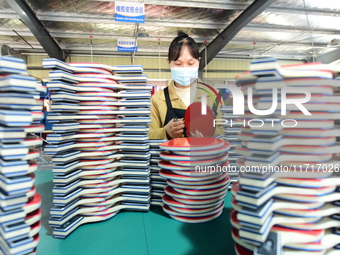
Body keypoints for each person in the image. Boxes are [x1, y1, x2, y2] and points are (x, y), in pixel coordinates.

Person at [148, 31, 224, 140]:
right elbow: (147, 137)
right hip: (169, 157)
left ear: (198, 61)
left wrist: (208, 140)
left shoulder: (214, 96)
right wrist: (165, 132)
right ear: (169, 63)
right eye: (178, 64)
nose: (184, 68)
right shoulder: (157, 100)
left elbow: (225, 136)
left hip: (205, 156)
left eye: (190, 63)